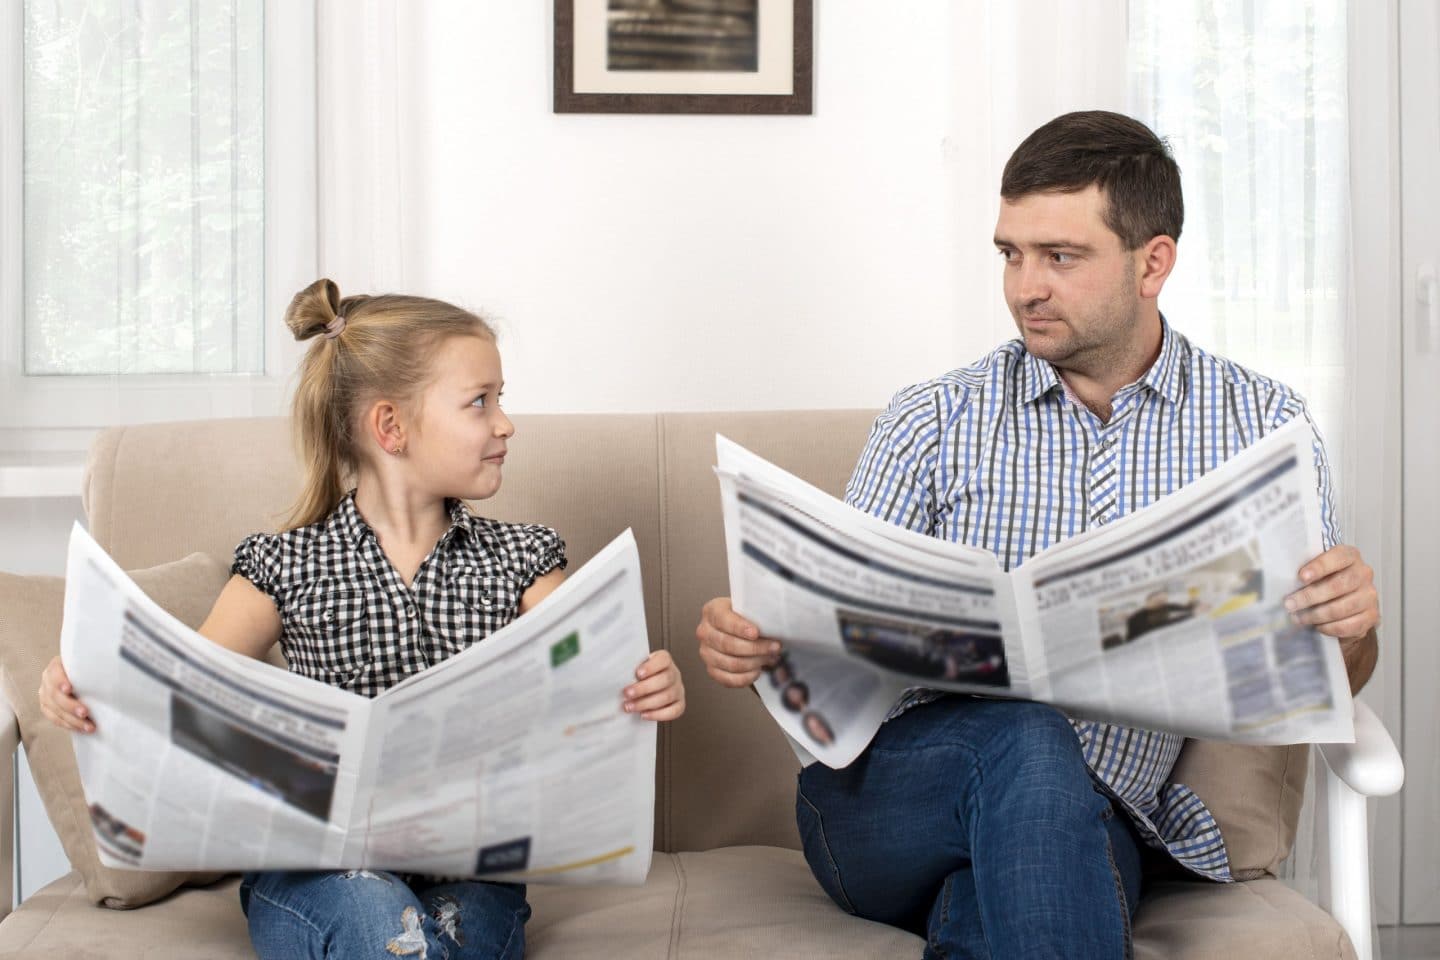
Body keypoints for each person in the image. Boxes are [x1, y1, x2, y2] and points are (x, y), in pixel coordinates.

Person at [695, 111, 1379, 959]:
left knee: (995, 903)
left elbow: (1330, 674)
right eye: (1010, 254)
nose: (1026, 287)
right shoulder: (934, 418)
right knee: (1027, 733)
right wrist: (758, 643)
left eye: (1060, 256)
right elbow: (838, 634)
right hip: (886, 807)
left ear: (1152, 262)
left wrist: (1348, 627)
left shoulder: (1262, 425)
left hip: (1097, 817)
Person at [39, 279, 687, 960]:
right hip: (316, 877)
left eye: (502, 398)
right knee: (379, 922)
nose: (505, 423)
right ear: (391, 427)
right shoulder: (283, 564)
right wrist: (82, 683)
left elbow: (598, 677)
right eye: (479, 402)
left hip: (472, 874)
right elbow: (183, 697)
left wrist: (648, 684)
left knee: (457, 933)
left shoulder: (522, 560)